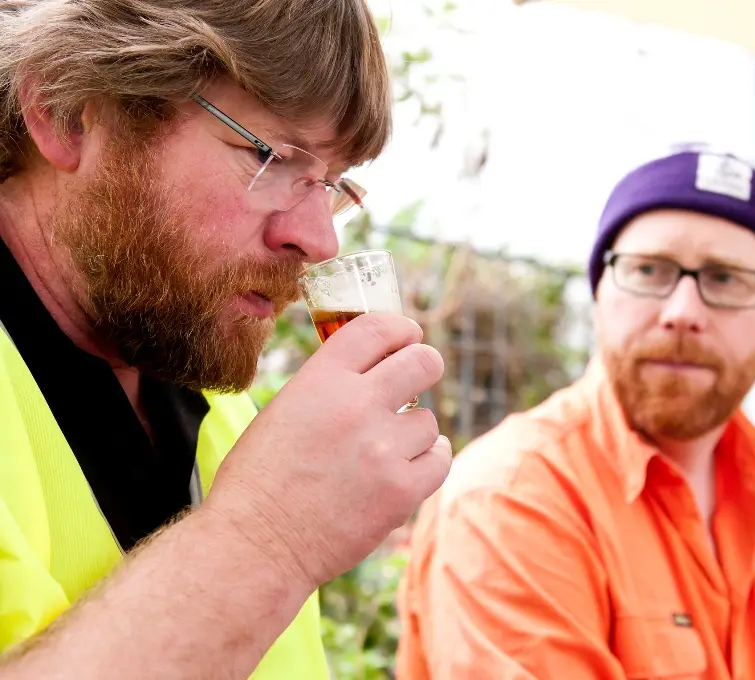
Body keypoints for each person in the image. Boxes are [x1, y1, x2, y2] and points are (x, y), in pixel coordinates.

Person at [0, 1, 452, 678]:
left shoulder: (227, 416)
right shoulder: (271, 489)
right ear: (67, 109)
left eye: (331, 184)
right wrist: (271, 535)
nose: (319, 238)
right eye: (270, 155)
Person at [396, 146, 755, 679]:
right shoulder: (511, 497)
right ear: (600, 295)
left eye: (726, 279)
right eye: (649, 270)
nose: (682, 313)